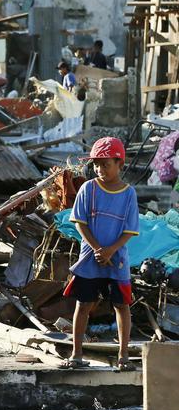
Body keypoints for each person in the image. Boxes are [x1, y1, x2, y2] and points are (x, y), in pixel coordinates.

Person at [62, 137, 139, 371]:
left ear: (120, 164)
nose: (99, 169)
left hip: (117, 260)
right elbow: (80, 223)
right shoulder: (89, 188)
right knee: (83, 304)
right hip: (90, 258)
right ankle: (76, 354)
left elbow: (130, 230)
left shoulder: (129, 194)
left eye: (106, 164)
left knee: (121, 306)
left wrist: (110, 250)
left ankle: (123, 356)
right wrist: (97, 249)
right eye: (96, 164)